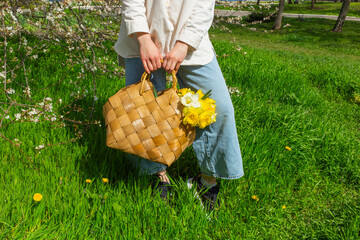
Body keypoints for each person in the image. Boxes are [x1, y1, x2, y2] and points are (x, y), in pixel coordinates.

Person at [114, 0, 244, 211]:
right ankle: (156, 176)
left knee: (220, 110)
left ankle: (206, 182)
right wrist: (144, 40)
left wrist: (184, 44)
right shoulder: (142, 40)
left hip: (192, 46)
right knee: (143, 112)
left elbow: (203, 7)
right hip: (141, 40)